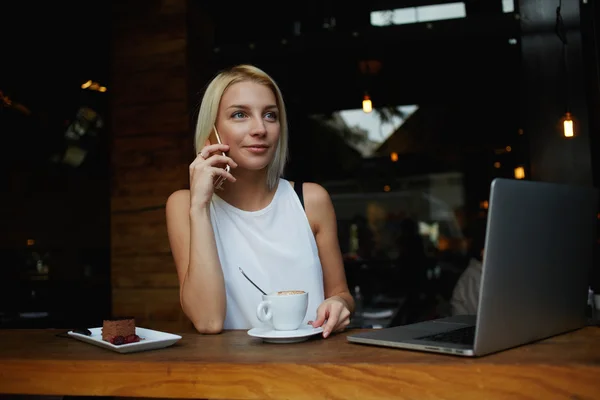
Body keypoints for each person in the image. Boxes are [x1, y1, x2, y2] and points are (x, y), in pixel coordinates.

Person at [165, 64, 354, 337]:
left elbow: (341, 293)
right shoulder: (184, 205)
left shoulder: (311, 200)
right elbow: (208, 321)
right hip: (232, 376)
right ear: (212, 131)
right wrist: (200, 207)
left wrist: (339, 304)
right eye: (240, 114)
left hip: (314, 370)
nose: (260, 128)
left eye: (270, 115)